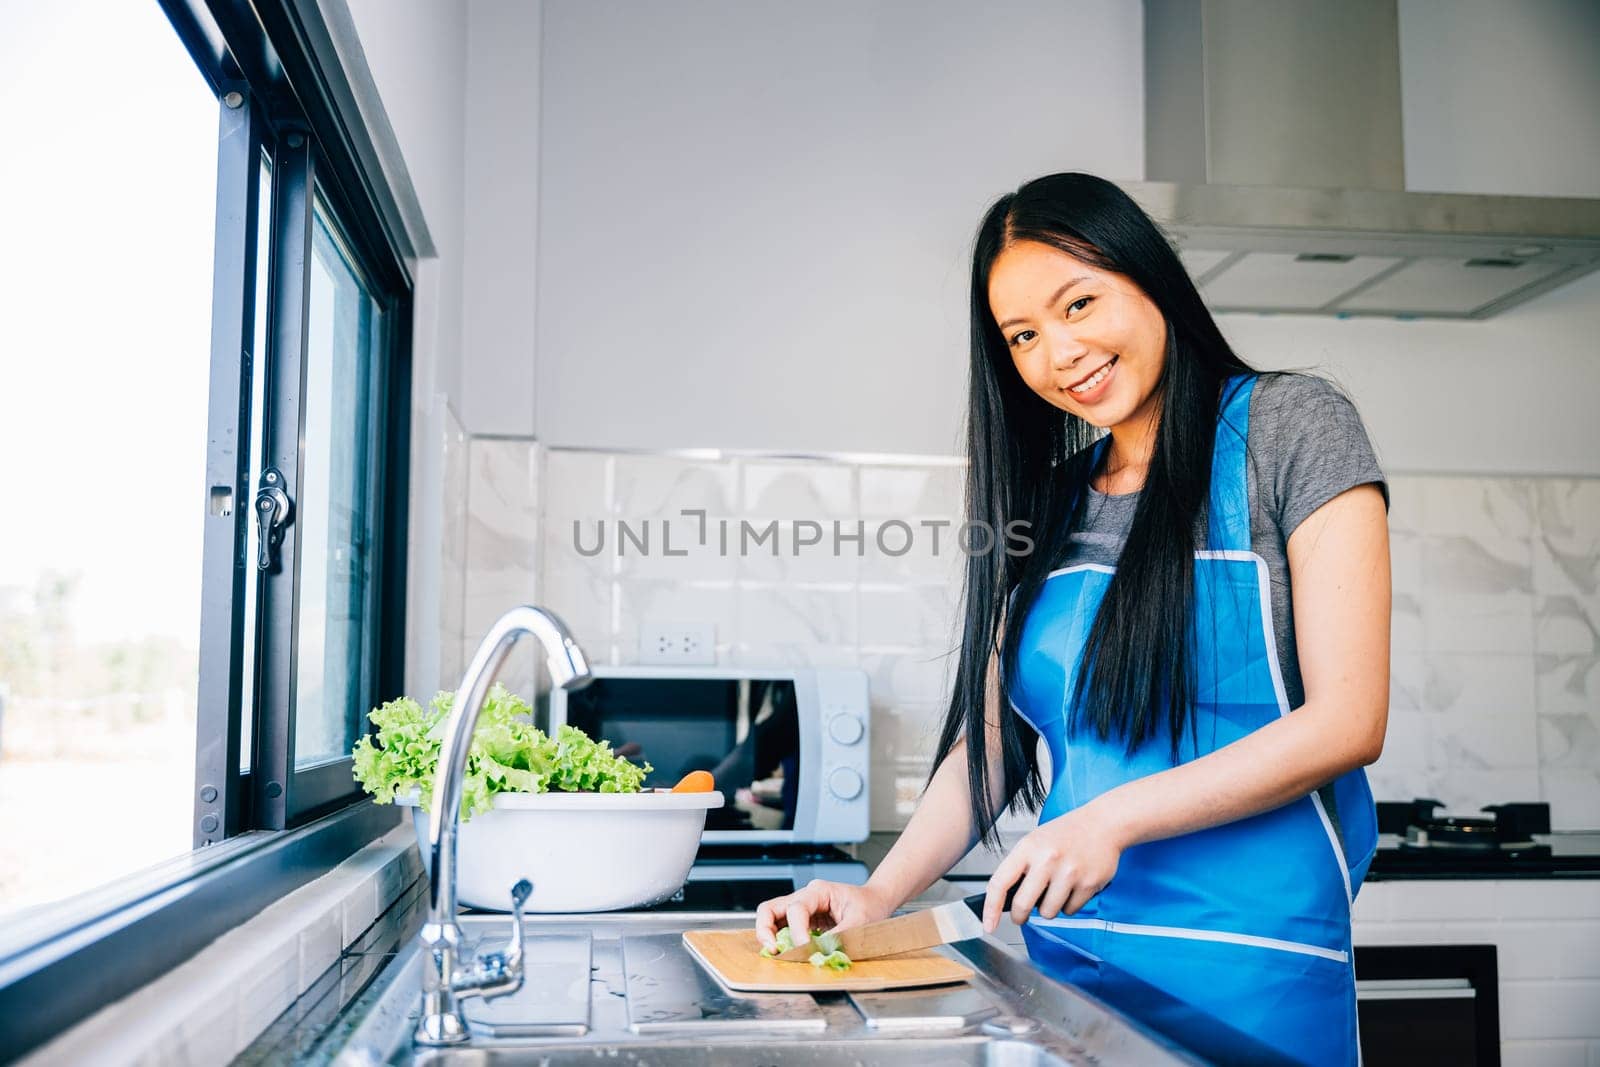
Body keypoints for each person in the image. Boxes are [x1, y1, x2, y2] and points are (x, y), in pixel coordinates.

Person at [754, 173, 1390, 1066]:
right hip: (1068, 973)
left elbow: (1349, 719)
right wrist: (880, 892)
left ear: (1148, 276)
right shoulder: (1049, 506)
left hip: (1250, 981)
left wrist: (1111, 820)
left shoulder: (1294, 428)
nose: (1060, 351)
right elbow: (990, 745)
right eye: (1023, 334)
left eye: (1078, 302)